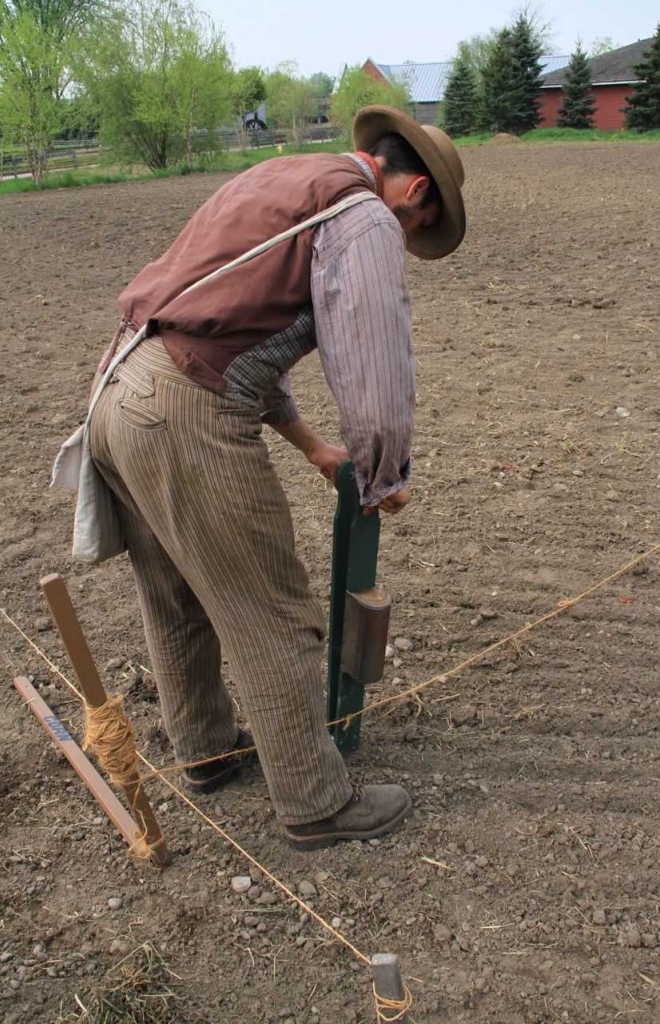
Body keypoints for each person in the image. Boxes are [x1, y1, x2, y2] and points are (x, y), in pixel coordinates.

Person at [88, 105, 466, 851]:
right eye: (418, 228)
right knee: (273, 611)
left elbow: (230, 329)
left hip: (116, 392)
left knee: (177, 597)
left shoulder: (285, 176)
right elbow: (372, 356)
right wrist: (382, 471)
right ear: (414, 193)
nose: (406, 240)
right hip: (182, 410)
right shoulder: (363, 216)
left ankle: (208, 748)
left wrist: (311, 445)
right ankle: (316, 801)